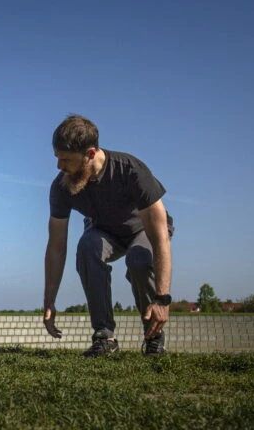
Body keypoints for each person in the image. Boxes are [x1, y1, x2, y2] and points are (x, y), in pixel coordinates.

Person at [42, 115, 175, 357]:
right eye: (57, 158)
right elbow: (56, 247)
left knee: (138, 259)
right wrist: (49, 301)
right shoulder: (62, 186)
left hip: (143, 231)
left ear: (90, 154)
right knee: (88, 245)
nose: (59, 166)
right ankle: (104, 336)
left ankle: (154, 337)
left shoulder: (131, 170)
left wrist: (163, 298)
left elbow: (160, 236)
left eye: (66, 160)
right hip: (105, 232)